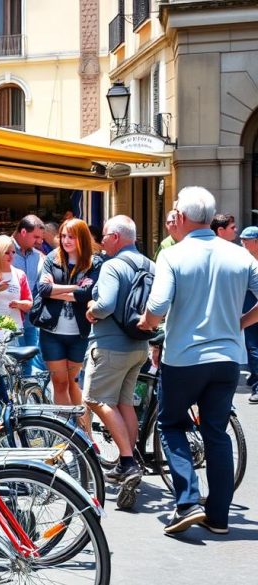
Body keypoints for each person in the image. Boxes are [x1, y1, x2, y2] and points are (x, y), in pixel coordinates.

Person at [141, 186, 258, 536]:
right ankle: (218, 517)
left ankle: (188, 501)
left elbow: (157, 307)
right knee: (216, 434)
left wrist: (146, 322)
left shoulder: (173, 255)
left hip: (185, 357)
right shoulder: (239, 256)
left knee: (172, 424)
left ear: (181, 216)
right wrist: (240, 323)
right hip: (226, 359)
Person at [84, 215, 154, 510]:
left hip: (111, 345)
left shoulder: (112, 266)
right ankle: (132, 456)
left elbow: (106, 304)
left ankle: (127, 460)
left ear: (115, 237)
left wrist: (92, 308)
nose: (101, 243)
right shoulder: (149, 264)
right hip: (139, 344)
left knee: (96, 399)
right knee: (125, 403)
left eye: (104, 237)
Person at [35, 219, 102, 411]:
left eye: (71, 236)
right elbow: (44, 289)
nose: (66, 240)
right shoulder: (52, 258)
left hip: (80, 334)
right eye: (63, 236)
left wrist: (57, 290)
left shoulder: (94, 262)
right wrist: (74, 288)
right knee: (60, 383)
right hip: (51, 332)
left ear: (81, 237)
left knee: (76, 384)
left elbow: (87, 294)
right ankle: (65, 431)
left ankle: (83, 434)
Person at [11, 215, 47, 373]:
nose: (40, 241)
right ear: (23, 232)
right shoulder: (5, 250)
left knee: (29, 359)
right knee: (11, 362)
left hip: (30, 319)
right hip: (9, 319)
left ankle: (26, 394)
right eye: (36, 237)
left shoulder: (37, 256)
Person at [241, 226, 258, 404]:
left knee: (254, 348)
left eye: (247, 240)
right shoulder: (244, 259)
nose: (243, 243)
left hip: (253, 307)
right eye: (242, 240)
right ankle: (255, 377)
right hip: (249, 306)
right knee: (252, 347)